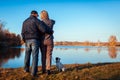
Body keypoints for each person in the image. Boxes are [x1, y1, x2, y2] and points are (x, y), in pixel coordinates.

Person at [21, 10, 53, 76]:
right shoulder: (37, 21)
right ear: (35, 14)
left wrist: (24, 40)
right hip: (35, 40)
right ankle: (33, 73)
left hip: (27, 40)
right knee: (35, 56)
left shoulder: (24, 21)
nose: (38, 16)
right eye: (37, 15)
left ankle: (26, 69)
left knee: (27, 55)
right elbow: (43, 30)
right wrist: (50, 31)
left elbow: (22, 32)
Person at [40, 10, 55, 75]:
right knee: (49, 55)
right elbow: (54, 21)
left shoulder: (40, 23)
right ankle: (48, 70)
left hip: (42, 41)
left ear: (41, 16)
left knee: (43, 55)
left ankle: (43, 69)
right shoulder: (51, 21)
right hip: (50, 41)